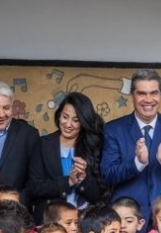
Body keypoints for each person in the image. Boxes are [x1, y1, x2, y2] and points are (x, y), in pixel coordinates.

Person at [101, 69, 161, 231]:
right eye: (142, 93)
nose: (148, 100)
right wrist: (137, 163)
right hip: (128, 221)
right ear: (132, 95)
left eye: (154, 93)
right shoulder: (114, 129)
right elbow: (108, 175)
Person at [27, 92, 107, 223]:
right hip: (51, 223)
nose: (68, 124)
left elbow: (99, 196)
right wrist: (68, 182)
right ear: (59, 116)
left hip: (84, 224)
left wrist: (83, 179)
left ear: (83, 122)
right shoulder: (42, 144)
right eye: (65, 117)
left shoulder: (93, 146)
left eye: (76, 120)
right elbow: (33, 188)